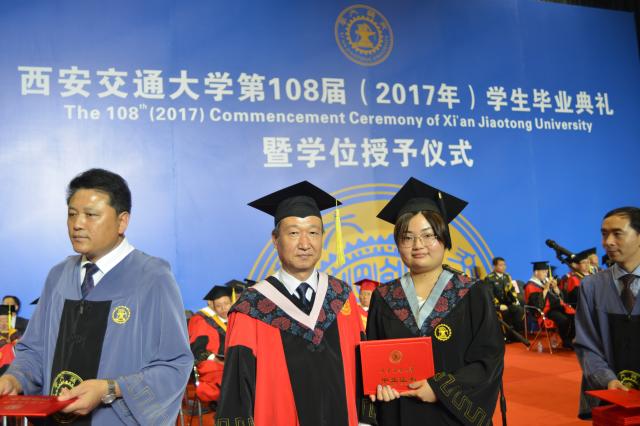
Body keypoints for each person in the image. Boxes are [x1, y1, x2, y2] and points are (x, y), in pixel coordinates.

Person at [0, 168, 193, 425]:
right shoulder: (59, 276)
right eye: (72, 214)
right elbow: (35, 351)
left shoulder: (151, 278)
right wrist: (14, 379)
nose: (77, 224)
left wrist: (109, 388)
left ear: (122, 222)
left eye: (91, 215)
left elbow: (174, 365)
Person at [216, 181, 376, 426]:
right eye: (293, 233)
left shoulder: (342, 296)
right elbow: (237, 390)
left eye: (313, 232)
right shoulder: (252, 307)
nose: (305, 243)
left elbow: (362, 367)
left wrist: (366, 420)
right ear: (275, 239)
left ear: (323, 237)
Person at [366, 177, 504, 426]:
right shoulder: (384, 297)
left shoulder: (472, 292)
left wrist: (440, 389)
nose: (418, 245)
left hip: (451, 417)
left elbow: (488, 361)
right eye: (407, 237)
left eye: (428, 235)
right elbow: (374, 363)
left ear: (444, 238)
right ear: (398, 244)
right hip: (398, 414)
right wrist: (378, 387)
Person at [575, 207, 640, 418]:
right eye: (604, 234)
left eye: (617, 234)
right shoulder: (591, 287)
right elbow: (586, 344)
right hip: (609, 397)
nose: (608, 242)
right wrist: (607, 379)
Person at [188, 285, 232, 403]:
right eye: (219, 305)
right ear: (212, 306)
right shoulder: (203, 321)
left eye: (226, 304)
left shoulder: (237, 320)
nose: (223, 308)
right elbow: (197, 349)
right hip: (214, 364)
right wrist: (215, 358)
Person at [524, 261, 575, 349]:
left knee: (574, 315)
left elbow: (562, 298)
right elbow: (538, 305)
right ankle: (566, 340)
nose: (546, 274)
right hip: (545, 311)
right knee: (563, 320)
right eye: (544, 272)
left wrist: (555, 287)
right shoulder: (530, 286)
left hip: (556, 307)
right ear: (536, 272)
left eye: (546, 272)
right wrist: (545, 289)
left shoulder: (546, 282)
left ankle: (573, 339)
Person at [483, 257, 524, 342]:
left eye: (504, 265)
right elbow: (489, 295)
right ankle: (507, 336)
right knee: (505, 312)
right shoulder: (489, 278)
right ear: (494, 266)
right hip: (496, 305)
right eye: (501, 265)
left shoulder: (507, 277)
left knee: (519, 310)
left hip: (507, 303)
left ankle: (516, 334)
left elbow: (512, 290)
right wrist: (498, 306)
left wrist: (515, 300)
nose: (503, 267)